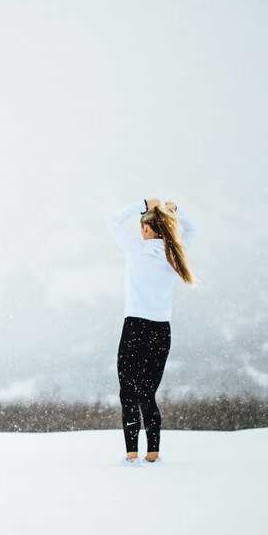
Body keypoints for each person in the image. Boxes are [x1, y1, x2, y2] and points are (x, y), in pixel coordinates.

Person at [106, 198, 196, 465]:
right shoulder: (173, 253)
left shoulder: (136, 250)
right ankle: (153, 452)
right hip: (160, 330)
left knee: (128, 392)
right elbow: (192, 230)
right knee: (147, 393)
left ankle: (132, 453)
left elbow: (111, 221)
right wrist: (175, 210)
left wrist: (142, 204)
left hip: (135, 327)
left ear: (146, 230)